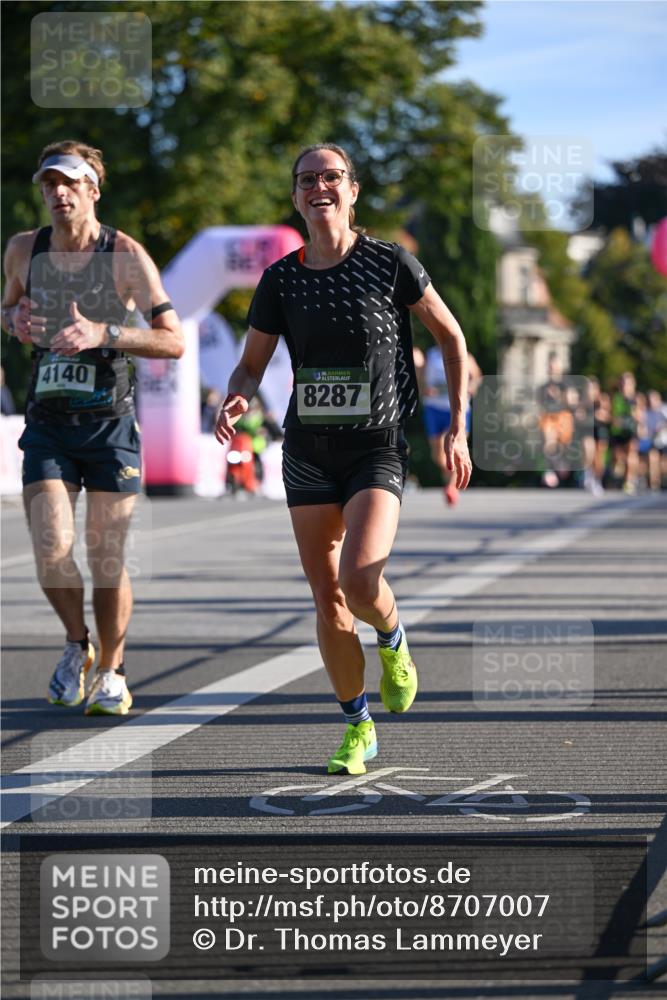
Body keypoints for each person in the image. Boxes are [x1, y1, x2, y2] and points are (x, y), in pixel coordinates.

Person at [215, 142, 472, 775]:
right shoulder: (281, 278)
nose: (319, 187)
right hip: (308, 452)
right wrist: (235, 399)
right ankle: (358, 727)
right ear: (296, 196)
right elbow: (252, 363)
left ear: (352, 191)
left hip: (376, 446)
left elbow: (451, 335)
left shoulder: (389, 263)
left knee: (360, 581)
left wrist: (458, 427)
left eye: (332, 177)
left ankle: (392, 636)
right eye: (307, 180)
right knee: (327, 596)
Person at [1, 140, 184, 715]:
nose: (58, 194)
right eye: (49, 184)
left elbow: (173, 340)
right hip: (49, 423)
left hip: (109, 425)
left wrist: (106, 333)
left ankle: (113, 668)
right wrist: (15, 320)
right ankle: (77, 644)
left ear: (92, 191)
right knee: (52, 548)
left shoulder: (125, 255)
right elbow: (7, 311)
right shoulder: (22, 250)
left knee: (106, 555)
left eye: (70, 183)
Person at [419, 343, 481, 505]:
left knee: (455, 450)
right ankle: (449, 479)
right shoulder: (430, 355)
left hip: (457, 410)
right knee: (438, 454)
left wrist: (470, 388)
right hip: (434, 408)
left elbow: (477, 377)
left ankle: (451, 487)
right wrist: (425, 388)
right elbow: (421, 378)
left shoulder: (464, 354)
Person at [610, 372, 639, 494]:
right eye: (622, 383)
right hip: (618, 431)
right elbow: (612, 414)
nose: (625, 386)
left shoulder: (636, 398)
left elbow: (640, 415)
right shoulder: (616, 398)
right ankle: (620, 473)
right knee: (617, 457)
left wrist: (635, 414)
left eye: (627, 383)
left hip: (631, 430)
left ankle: (629, 481)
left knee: (630, 455)